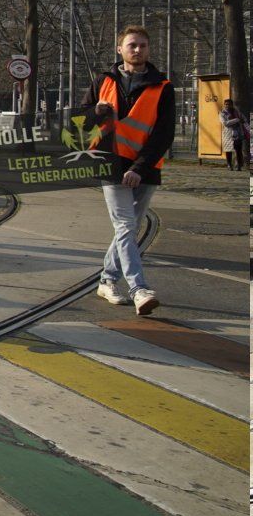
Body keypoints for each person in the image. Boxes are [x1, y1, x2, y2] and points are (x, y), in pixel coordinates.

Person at [80, 24, 174, 316]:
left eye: (142, 45)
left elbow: (163, 134)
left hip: (144, 169)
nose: (137, 50)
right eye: (132, 45)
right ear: (119, 49)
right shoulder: (103, 81)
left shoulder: (163, 87)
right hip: (111, 165)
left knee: (128, 229)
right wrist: (95, 112)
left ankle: (107, 279)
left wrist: (139, 167)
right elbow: (82, 122)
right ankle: (139, 289)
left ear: (148, 50)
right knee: (125, 227)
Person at [218, 98, 246, 171]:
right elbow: (225, 123)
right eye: (226, 104)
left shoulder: (236, 112)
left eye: (229, 104)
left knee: (238, 150)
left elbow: (243, 119)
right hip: (228, 134)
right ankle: (229, 164)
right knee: (228, 150)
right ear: (224, 105)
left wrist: (241, 120)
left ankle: (239, 165)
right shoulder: (222, 113)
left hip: (238, 133)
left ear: (232, 105)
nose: (227, 106)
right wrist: (237, 120)